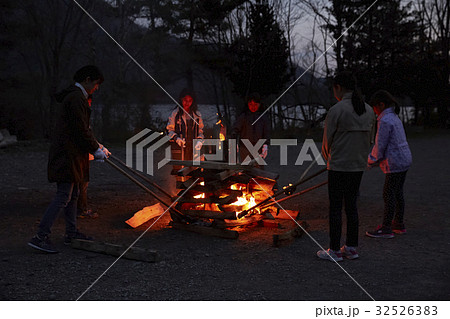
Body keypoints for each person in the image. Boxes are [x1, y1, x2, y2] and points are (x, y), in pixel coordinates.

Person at [28, 65, 109, 253]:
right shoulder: (76, 98)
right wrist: (95, 149)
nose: (96, 88)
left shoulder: (77, 97)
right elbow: (80, 129)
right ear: (88, 79)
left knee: (73, 195)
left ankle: (71, 233)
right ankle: (40, 236)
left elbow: (84, 129)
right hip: (66, 155)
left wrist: (98, 146)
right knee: (64, 195)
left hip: (71, 154)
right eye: (96, 84)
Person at [318, 71, 376, 262]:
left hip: (338, 166)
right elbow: (371, 140)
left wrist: (329, 160)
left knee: (335, 207)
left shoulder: (337, 110)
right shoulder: (368, 110)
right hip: (357, 166)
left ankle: (334, 250)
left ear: (338, 88)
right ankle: (351, 248)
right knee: (351, 207)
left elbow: (327, 142)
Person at [365, 90, 412, 238]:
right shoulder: (394, 117)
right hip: (403, 159)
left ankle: (386, 227)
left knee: (388, 194)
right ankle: (398, 223)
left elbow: (380, 145)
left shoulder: (384, 120)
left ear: (381, 104)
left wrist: (370, 161)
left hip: (395, 161)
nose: (374, 111)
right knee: (397, 193)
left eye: (374, 108)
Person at [166, 88, 204, 185]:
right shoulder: (175, 114)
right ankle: (181, 190)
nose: (187, 103)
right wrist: (176, 138)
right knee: (180, 169)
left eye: (190, 101)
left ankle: (194, 190)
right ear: (181, 100)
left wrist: (200, 140)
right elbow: (169, 130)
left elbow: (201, 131)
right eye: (185, 100)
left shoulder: (197, 115)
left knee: (194, 169)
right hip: (180, 147)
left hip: (193, 147)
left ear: (193, 101)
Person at [232, 92, 271, 165]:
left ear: (259, 104)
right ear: (247, 104)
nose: (253, 107)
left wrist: (265, 145)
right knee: (246, 169)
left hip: (258, 148)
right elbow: (235, 129)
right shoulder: (243, 116)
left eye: (255, 105)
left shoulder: (263, 117)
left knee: (259, 169)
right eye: (251, 104)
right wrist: (234, 142)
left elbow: (266, 132)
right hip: (245, 148)